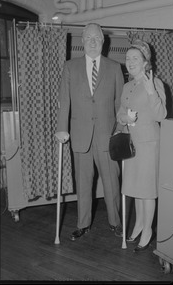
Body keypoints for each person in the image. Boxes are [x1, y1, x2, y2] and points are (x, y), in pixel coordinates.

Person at [55, 23, 124, 240]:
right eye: (88, 38)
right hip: (80, 135)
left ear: (104, 42)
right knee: (83, 182)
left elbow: (120, 103)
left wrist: (120, 131)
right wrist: (61, 129)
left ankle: (115, 222)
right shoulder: (70, 66)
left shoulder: (114, 67)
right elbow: (64, 101)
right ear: (82, 41)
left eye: (97, 38)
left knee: (112, 182)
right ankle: (83, 224)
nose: (93, 42)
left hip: (107, 135)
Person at [117, 39, 167, 252]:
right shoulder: (127, 85)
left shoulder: (155, 83)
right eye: (128, 58)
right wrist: (125, 118)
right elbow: (119, 113)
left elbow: (161, 115)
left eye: (135, 58)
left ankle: (148, 229)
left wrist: (150, 92)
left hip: (148, 144)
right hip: (131, 144)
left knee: (147, 190)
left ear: (145, 61)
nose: (130, 62)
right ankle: (138, 224)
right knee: (135, 188)